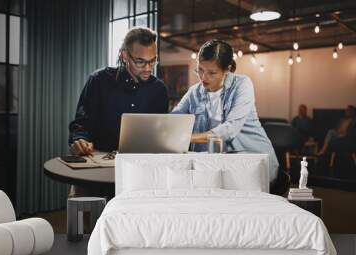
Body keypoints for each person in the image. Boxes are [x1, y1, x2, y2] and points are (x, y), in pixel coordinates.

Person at [68, 27, 168, 200]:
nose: (148, 68)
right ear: (124, 56)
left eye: (153, 61)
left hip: (139, 176)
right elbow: (82, 123)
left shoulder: (158, 89)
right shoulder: (99, 80)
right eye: (140, 62)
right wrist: (79, 139)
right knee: (89, 224)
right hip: (97, 173)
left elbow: (160, 135)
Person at [172, 39, 279, 182]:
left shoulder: (242, 85)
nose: (204, 77)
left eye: (212, 72)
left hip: (253, 161)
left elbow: (230, 129)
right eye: (200, 70)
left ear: (227, 70)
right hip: (218, 165)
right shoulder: (194, 92)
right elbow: (173, 119)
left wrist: (187, 138)